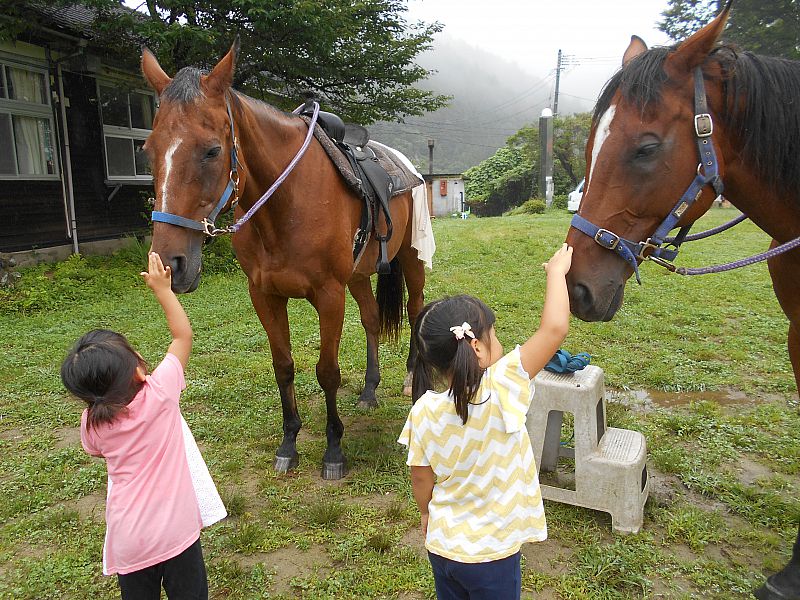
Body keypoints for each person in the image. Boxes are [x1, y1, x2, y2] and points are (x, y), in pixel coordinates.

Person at [398, 243, 573, 600]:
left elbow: (420, 476)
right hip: (492, 555)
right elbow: (554, 329)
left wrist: (427, 515)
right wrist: (556, 273)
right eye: (494, 335)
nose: (501, 342)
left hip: (444, 546)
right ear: (477, 347)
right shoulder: (504, 385)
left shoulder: (424, 411)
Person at [61, 252, 225, 600]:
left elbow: (94, 451)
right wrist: (163, 291)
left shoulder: (92, 425)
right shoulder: (160, 393)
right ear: (138, 371)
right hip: (176, 535)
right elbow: (182, 336)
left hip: (129, 542)